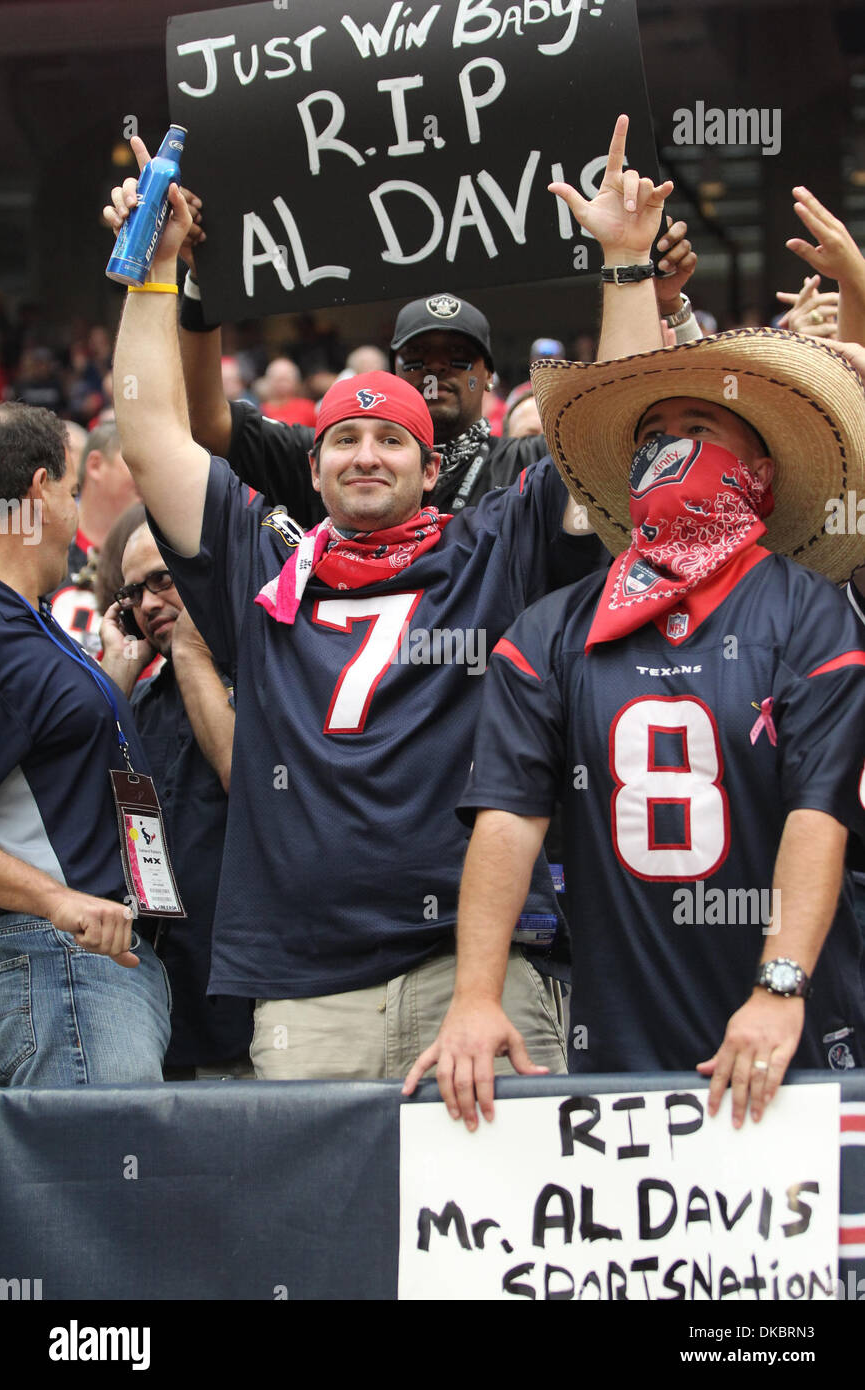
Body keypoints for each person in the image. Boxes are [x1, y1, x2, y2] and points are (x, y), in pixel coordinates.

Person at [105, 115, 670, 1081]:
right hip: (308, 988)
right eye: (343, 443)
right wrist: (152, 270)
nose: (367, 454)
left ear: (429, 465)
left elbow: (606, 452)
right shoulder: (260, 571)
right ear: (312, 472)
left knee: (497, 1233)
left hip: (480, 971)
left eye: (392, 441)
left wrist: (624, 266)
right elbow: (152, 432)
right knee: (322, 1235)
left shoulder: (491, 548)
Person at [404, 323, 865, 1131]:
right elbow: (509, 820)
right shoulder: (549, 630)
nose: (670, 450)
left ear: (757, 472)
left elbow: (818, 811)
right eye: (653, 436)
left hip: (799, 1027)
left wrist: (778, 987)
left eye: (698, 430)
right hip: (619, 1035)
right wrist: (475, 998)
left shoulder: (809, 612)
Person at [113, 140, 696, 526]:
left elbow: (616, 442)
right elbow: (203, 425)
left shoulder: (522, 467)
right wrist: (196, 281)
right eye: (418, 360)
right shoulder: (343, 460)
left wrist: (634, 272)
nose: (436, 373)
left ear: (489, 376)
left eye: (457, 359)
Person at [0, 402, 170, 1085]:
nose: (75, 513)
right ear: (41, 491)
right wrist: (55, 901)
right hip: (60, 960)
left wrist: (108, 685)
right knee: (107, 1186)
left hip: (85, 967)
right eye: (73, 493)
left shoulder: (31, 625)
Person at [99, 520, 253, 1079]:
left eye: (162, 580)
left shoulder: (269, 669)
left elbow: (246, 776)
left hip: (253, 1001)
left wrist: (190, 650)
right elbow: (71, 787)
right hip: (160, 999)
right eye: (132, 593)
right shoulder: (139, 697)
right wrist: (116, 673)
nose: (146, 603)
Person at [49, 423, 140, 652]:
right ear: (96, 465)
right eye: (135, 465)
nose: (148, 477)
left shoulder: (159, 553)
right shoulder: (44, 543)